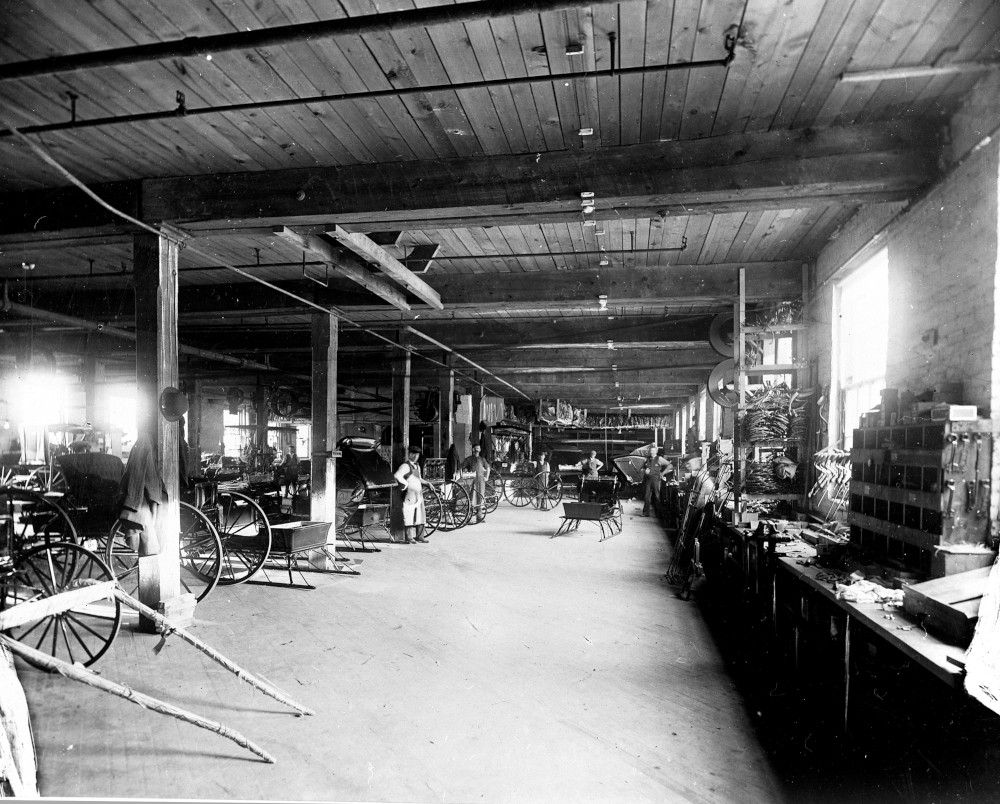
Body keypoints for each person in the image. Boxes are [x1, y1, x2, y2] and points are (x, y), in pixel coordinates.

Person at [394, 445, 427, 543]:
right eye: (413, 454)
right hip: (410, 494)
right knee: (409, 515)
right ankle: (409, 537)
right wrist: (405, 483)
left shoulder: (417, 466)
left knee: (420, 514)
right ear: (409, 454)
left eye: (417, 454)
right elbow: (397, 475)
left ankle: (420, 536)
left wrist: (428, 483)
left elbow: (419, 479)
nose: (415, 456)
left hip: (418, 494)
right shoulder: (405, 466)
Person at [460, 443, 491, 524]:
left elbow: (488, 468)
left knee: (480, 499)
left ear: (480, 450)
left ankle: (479, 517)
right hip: (472, 482)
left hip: (481, 481)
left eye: (478, 448)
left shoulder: (482, 459)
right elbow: (462, 467)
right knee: (471, 499)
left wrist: (486, 477)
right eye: (475, 449)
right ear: (473, 450)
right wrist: (465, 471)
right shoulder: (469, 459)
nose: (477, 450)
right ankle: (468, 518)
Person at [642, 446, 670, 517]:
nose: (652, 452)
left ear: (656, 451)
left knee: (657, 496)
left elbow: (670, 465)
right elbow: (642, 468)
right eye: (651, 451)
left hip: (656, 479)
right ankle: (646, 513)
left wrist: (663, 473)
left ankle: (659, 514)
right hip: (648, 479)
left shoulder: (659, 459)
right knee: (646, 496)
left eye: (653, 451)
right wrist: (644, 471)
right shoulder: (647, 459)